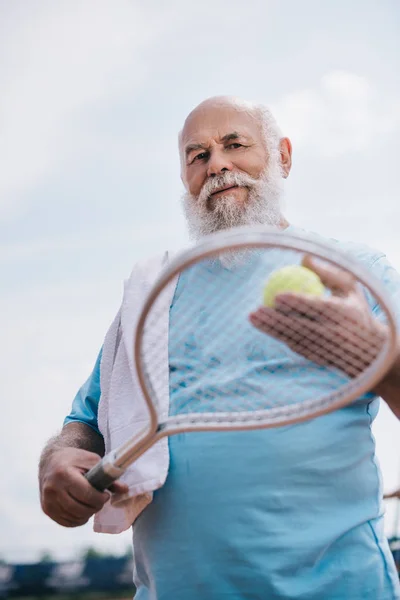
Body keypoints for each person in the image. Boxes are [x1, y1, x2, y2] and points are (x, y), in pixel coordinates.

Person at [39, 96, 400, 599]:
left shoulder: (358, 273)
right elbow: (86, 421)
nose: (219, 164)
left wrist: (382, 362)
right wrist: (59, 461)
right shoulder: (152, 294)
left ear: (284, 157)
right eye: (198, 155)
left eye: (235, 144)